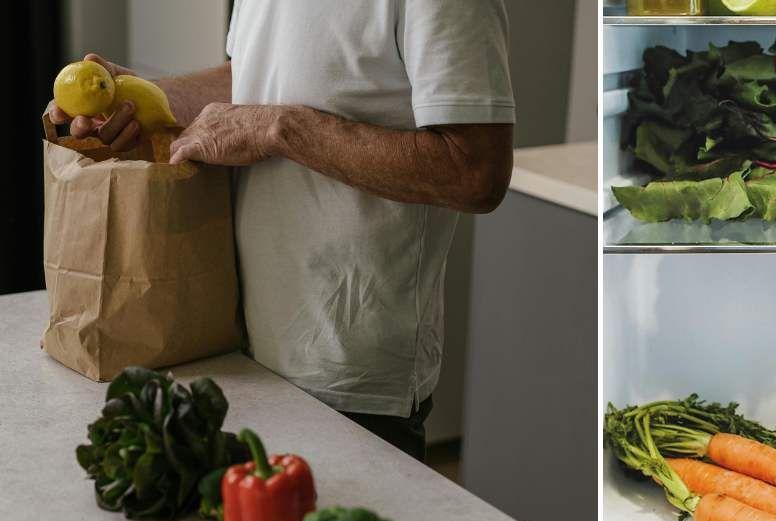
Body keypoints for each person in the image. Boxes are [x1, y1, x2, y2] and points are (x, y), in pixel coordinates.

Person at [47, 1, 516, 462]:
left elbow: (475, 171)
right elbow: (248, 78)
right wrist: (135, 95)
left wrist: (280, 129)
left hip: (347, 378)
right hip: (229, 348)